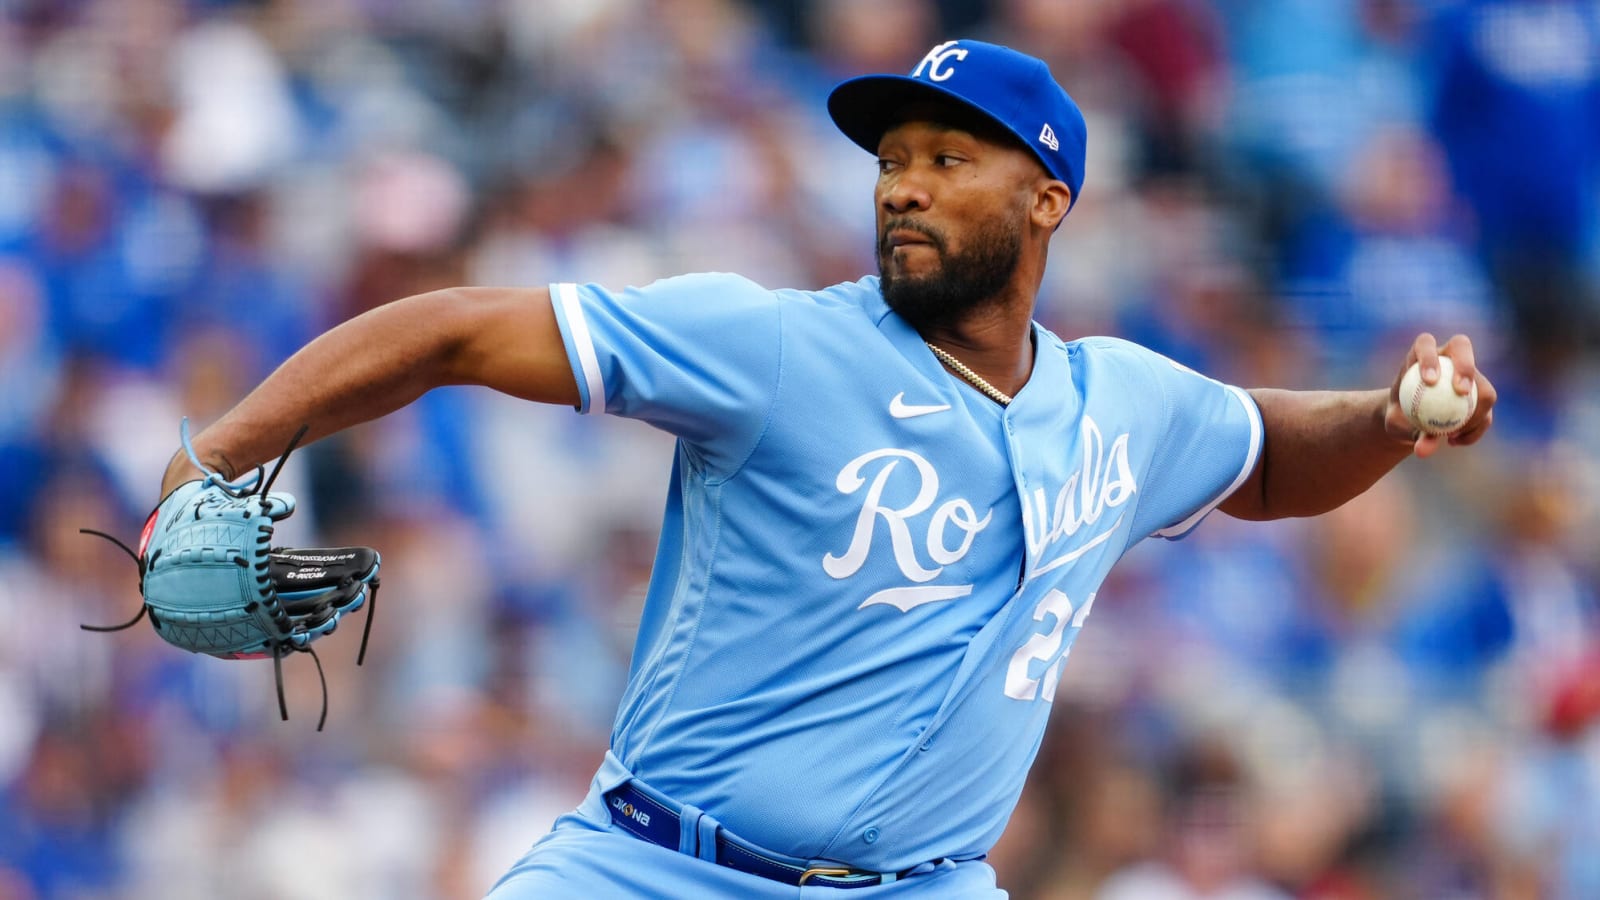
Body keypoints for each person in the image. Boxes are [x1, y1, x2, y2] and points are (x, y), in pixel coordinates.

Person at [155, 40, 1495, 898]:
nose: (902, 186)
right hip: (658, 868)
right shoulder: (773, 348)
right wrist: (218, 451)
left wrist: (1391, 417)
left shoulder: (1119, 406)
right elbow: (453, 329)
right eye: (892, 160)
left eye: (946, 159)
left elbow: (1265, 459)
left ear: (1048, 199)